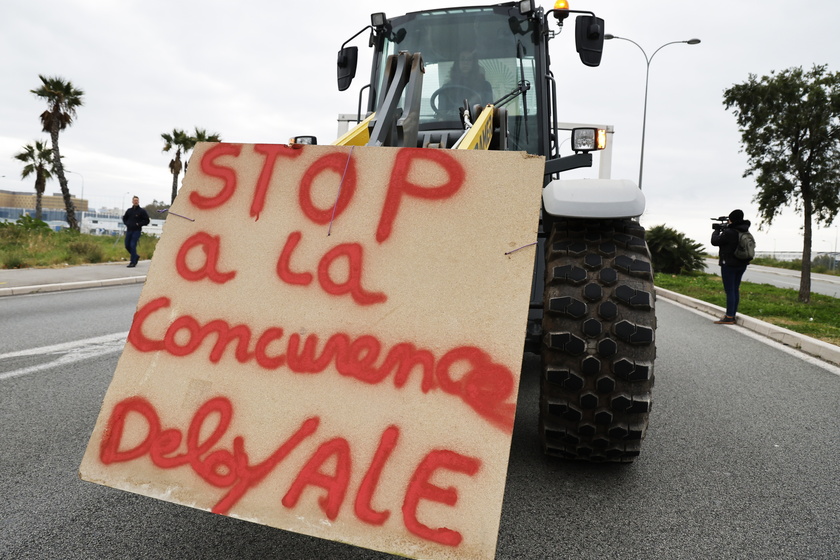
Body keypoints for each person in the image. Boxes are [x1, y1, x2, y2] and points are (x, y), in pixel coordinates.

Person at [710, 209, 752, 324]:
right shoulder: (744, 230)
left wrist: (717, 230)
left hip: (729, 264)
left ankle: (729, 317)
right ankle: (732, 314)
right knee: (735, 289)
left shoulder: (729, 232)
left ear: (731, 219)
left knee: (730, 291)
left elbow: (715, 241)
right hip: (742, 264)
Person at [441, 49, 494, 114]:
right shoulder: (446, 89)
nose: (465, 62)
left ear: (473, 63)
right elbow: (442, 114)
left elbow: (489, 112)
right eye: (462, 59)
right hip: (453, 123)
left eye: (469, 59)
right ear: (457, 63)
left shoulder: (485, 86)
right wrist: (471, 102)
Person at [122, 196, 150, 268]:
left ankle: (133, 262)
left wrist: (139, 224)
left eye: (137, 200)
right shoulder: (129, 211)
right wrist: (127, 223)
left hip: (136, 231)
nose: (136, 202)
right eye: (134, 200)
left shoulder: (141, 211)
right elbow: (124, 218)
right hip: (129, 230)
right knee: (127, 245)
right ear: (132, 201)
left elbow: (147, 221)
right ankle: (135, 256)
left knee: (132, 245)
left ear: (138, 201)